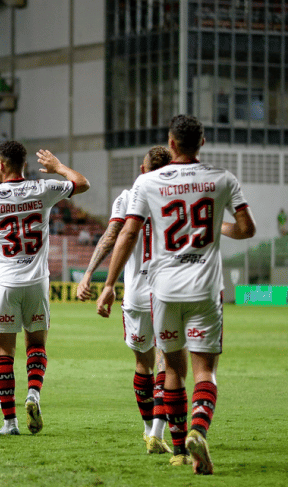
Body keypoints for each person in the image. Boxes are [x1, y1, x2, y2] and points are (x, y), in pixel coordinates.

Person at [96, 115, 256, 475]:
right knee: (204, 370)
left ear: (171, 143)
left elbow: (128, 234)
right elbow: (247, 229)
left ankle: (180, 450)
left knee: (170, 368)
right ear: (202, 141)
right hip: (204, 288)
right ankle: (198, 430)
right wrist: (218, 226)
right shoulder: (222, 178)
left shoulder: (147, 182)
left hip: (163, 290)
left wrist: (108, 285)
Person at [0, 142, 90, 435]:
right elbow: (82, 183)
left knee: (1, 352)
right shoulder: (42, 187)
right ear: (25, 164)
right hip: (37, 282)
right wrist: (58, 166)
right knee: (36, 345)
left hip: (4, 283)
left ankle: (9, 423)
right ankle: (33, 394)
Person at [76, 146, 174, 454]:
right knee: (166, 364)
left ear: (143, 170)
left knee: (142, 364)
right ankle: (157, 432)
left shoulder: (128, 197)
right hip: (168, 291)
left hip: (134, 294)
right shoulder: (176, 198)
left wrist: (90, 275)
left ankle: (148, 429)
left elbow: (112, 237)